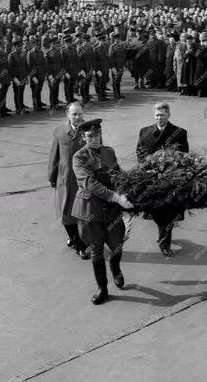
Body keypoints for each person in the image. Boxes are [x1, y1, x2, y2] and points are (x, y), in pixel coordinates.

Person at [71, 118, 134, 305]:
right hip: (91, 211)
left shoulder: (109, 151)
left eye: (97, 135)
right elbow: (90, 184)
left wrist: (130, 187)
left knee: (116, 245)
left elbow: (117, 174)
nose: (94, 139)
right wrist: (116, 197)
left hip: (111, 211)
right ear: (83, 137)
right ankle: (103, 288)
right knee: (97, 251)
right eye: (90, 136)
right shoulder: (79, 157)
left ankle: (116, 269)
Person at [136, 102, 189, 257]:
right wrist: (148, 166)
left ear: (169, 115)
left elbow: (184, 155)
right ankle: (163, 232)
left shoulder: (179, 133)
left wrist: (172, 167)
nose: (159, 118)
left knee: (169, 212)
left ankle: (164, 242)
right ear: (154, 115)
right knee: (156, 211)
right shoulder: (145, 132)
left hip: (171, 179)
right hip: (152, 178)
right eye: (157, 115)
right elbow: (140, 152)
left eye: (163, 115)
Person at [48, 102, 90, 260]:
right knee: (67, 213)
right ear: (67, 115)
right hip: (65, 179)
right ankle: (77, 243)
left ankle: (78, 240)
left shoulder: (90, 129)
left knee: (85, 213)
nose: (78, 117)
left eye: (80, 114)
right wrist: (51, 176)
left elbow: (98, 152)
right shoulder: (59, 130)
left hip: (84, 179)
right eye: (74, 114)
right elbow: (54, 153)